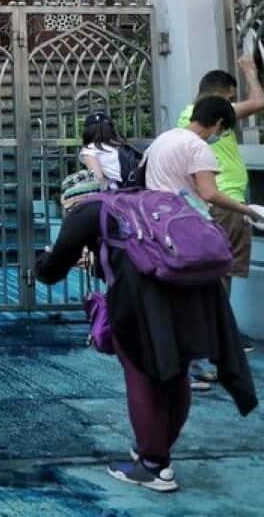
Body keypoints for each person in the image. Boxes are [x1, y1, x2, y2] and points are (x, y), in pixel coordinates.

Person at [35, 196, 256, 493]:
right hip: (195, 291)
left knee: (142, 373)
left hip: (143, 298)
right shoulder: (158, 199)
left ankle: (154, 465)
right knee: (177, 371)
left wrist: (42, 260)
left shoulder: (89, 209)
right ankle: (158, 448)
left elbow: (53, 267)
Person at [147, 96, 264, 388]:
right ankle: (191, 368)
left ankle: (185, 366)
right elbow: (210, 193)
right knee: (195, 298)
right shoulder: (198, 148)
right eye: (224, 131)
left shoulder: (163, 139)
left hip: (159, 228)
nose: (221, 136)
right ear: (220, 124)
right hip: (187, 233)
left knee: (177, 299)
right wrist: (249, 210)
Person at [177, 55, 264, 357]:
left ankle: (217, 331)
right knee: (223, 269)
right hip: (225, 202)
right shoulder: (204, 118)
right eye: (229, 100)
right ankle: (221, 334)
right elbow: (258, 101)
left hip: (213, 202)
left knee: (218, 269)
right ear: (218, 98)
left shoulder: (187, 117)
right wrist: (251, 71)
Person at [79, 112, 143, 189]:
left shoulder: (89, 149)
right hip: (141, 183)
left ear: (88, 130)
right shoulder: (122, 143)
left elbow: (98, 179)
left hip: (124, 189)